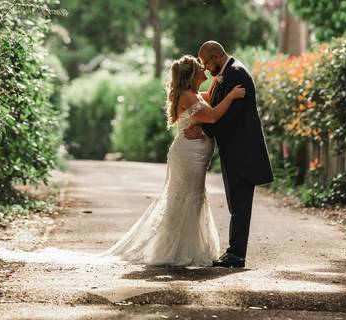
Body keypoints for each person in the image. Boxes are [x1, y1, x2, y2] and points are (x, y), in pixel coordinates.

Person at [104, 55, 245, 266]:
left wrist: (220, 82)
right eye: (200, 68)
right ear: (191, 75)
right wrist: (232, 96)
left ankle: (182, 248)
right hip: (188, 156)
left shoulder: (195, 94)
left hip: (196, 155)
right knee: (186, 199)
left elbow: (211, 104)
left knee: (190, 199)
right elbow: (214, 115)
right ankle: (174, 250)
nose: (204, 70)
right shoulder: (188, 96)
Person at [182, 41, 274, 268]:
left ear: (216, 55)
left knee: (241, 204)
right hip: (234, 151)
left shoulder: (236, 74)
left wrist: (203, 129)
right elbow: (214, 105)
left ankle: (236, 255)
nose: (205, 67)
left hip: (242, 151)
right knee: (236, 204)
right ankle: (234, 253)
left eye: (205, 62)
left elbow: (230, 116)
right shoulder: (226, 74)